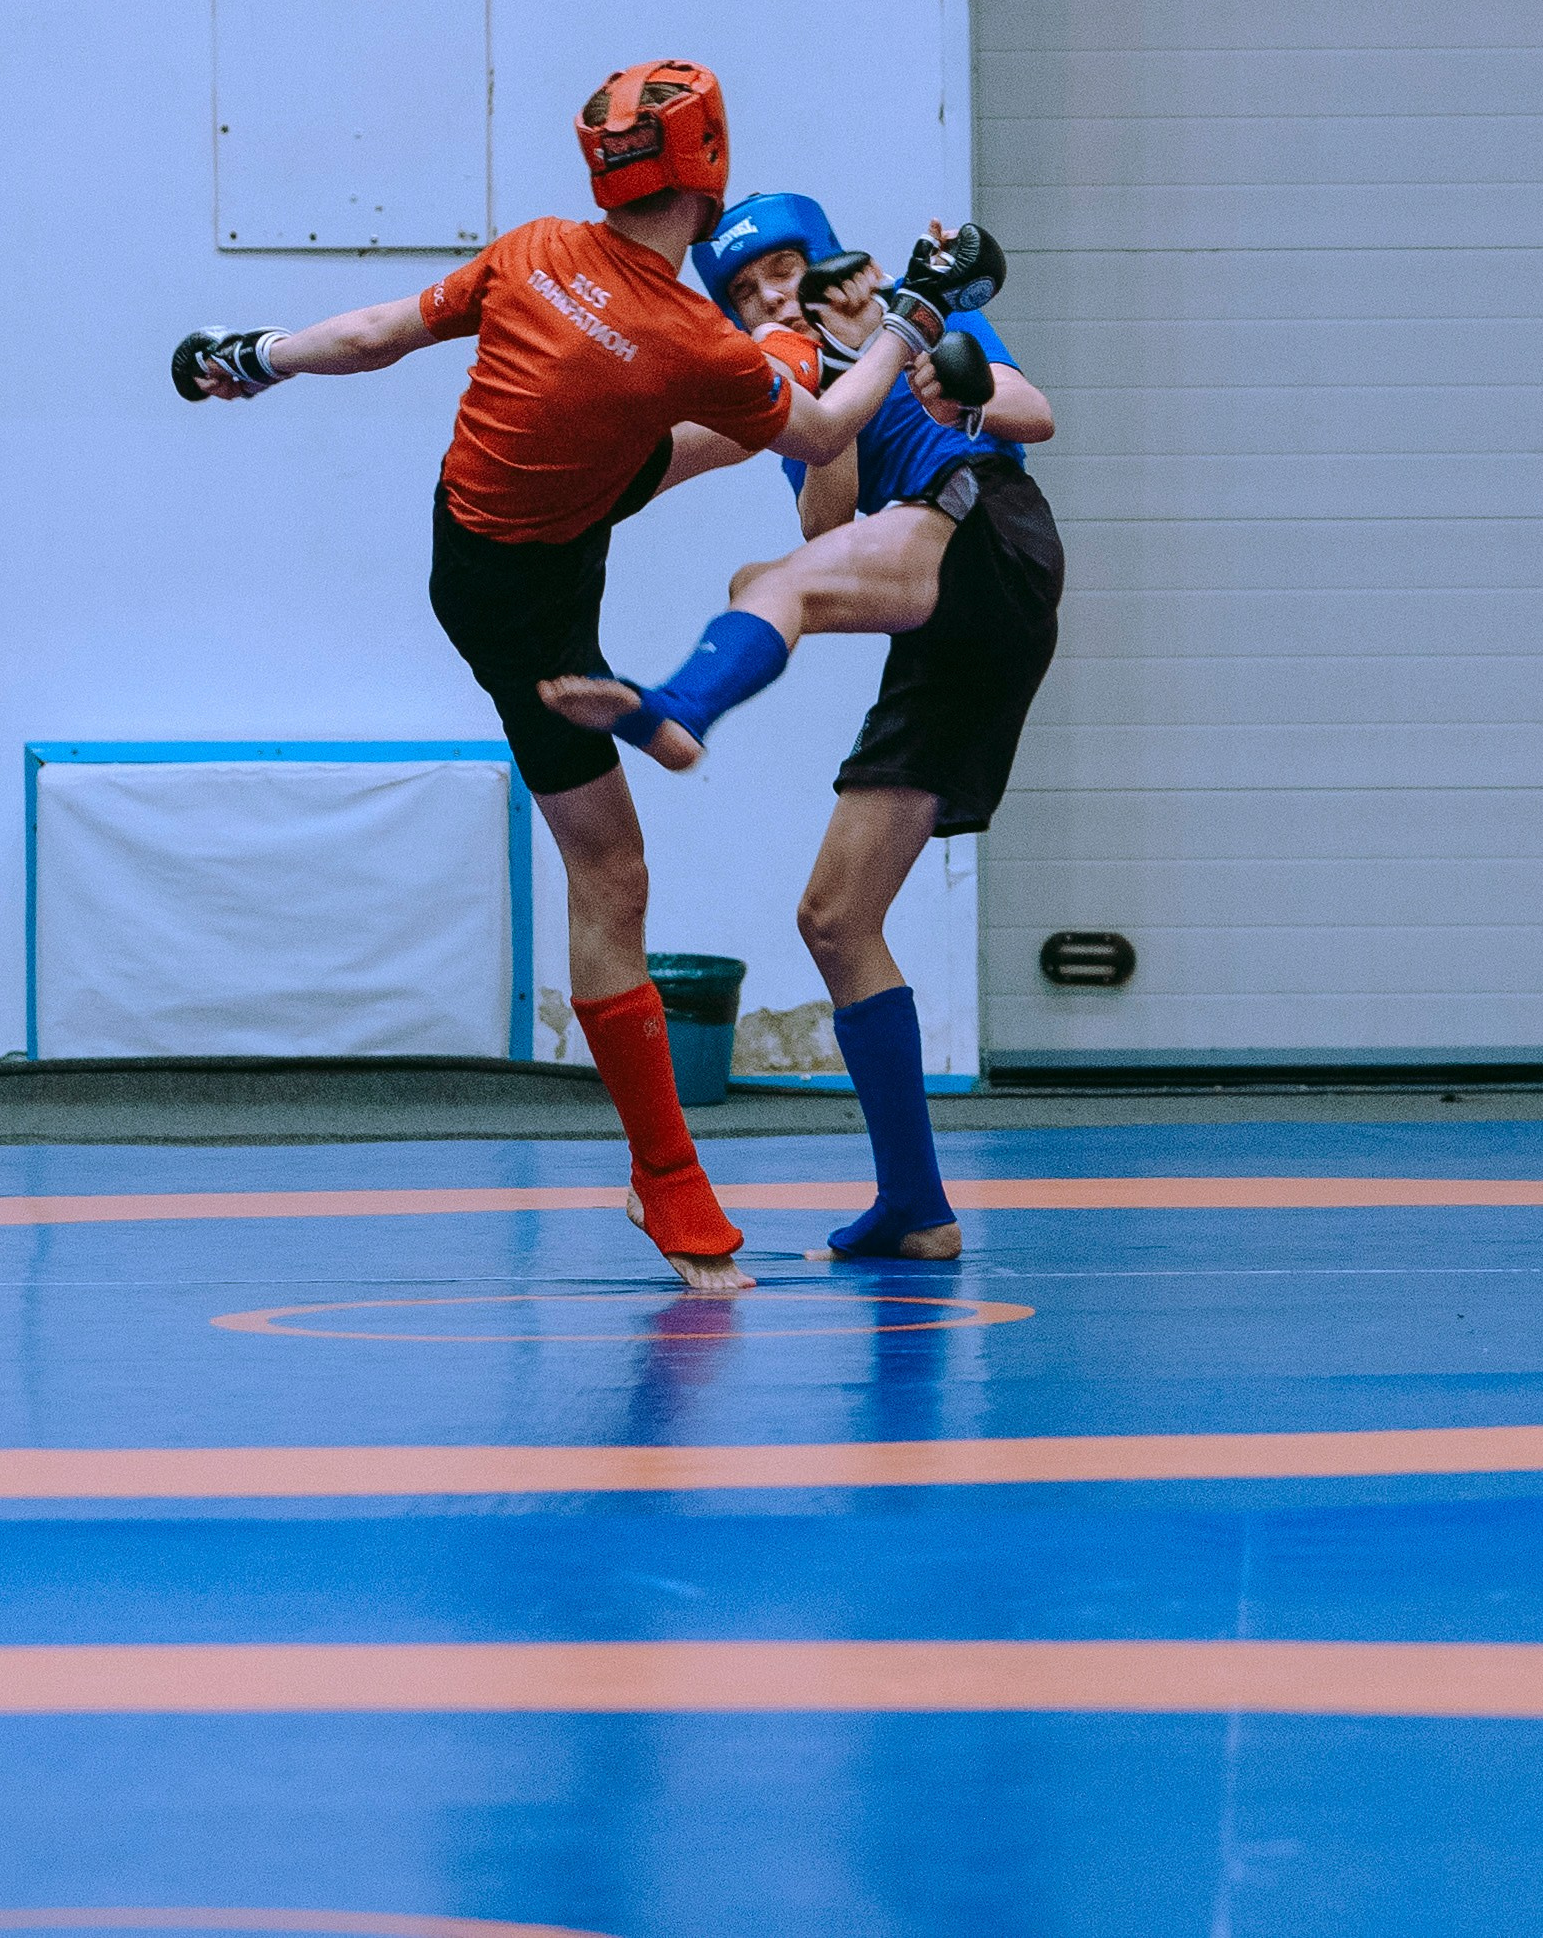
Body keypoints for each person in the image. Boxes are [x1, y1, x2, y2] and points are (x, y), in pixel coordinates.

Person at [172, 79, 930, 1292]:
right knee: (613, 872)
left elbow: (376, 335)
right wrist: (910, 320)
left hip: (525, 517)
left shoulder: (536, 252)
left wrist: (248, 357)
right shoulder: (690, 341)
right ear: (709, 168)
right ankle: (664, 1180)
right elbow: (831, 432)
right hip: (521, 604)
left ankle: (661, 706)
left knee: (704, 423)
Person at [539, 189, 1063, 1262]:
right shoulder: (798, 385)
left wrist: (938, 365)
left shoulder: (913, 311)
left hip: (985, 532)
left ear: (824, 262)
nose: (770, 294)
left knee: (773, 587)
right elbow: (831, 522)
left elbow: (1031, 413)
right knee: (834, 917)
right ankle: (918, 1206)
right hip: (943, 609)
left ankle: (680, 708)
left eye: (782, 272)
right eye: (745, 291)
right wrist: (828, 403)